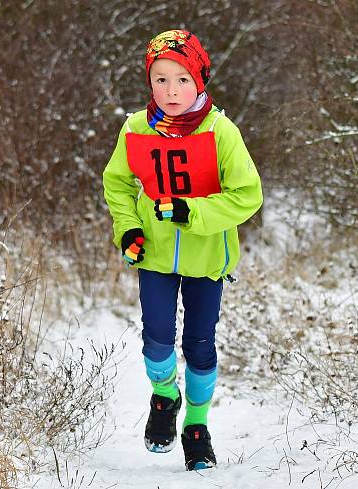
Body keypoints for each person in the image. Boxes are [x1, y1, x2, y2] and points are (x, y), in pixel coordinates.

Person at [102, 29, 263, 471]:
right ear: (149, 82)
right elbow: (116, 183)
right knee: (155, 339)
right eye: (160, 80)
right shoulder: (136, 127)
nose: (171, 90)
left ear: (200, 80)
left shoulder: (220, 131)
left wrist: (191, 212)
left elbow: (247, 195)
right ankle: (165, 395)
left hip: (207, 258)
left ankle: (196, 426)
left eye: (182, 80)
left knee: (199, 343)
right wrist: (129, 229)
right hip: (153, 255)